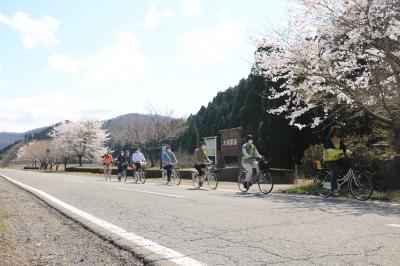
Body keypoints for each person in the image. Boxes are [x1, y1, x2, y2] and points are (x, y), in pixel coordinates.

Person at [323, 126, 352, 196]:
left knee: (347, 161)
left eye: (339, 130)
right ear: (333, 131)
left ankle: (339, 177)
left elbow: (344, 149)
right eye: (337, 130)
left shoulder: (339, 140)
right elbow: (330, 151)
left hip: (337, 158)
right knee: (335, 171)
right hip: (328, 159)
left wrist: (351, 153)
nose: (339, 132)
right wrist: (340, 152)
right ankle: (333, 189)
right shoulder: (328, 139)